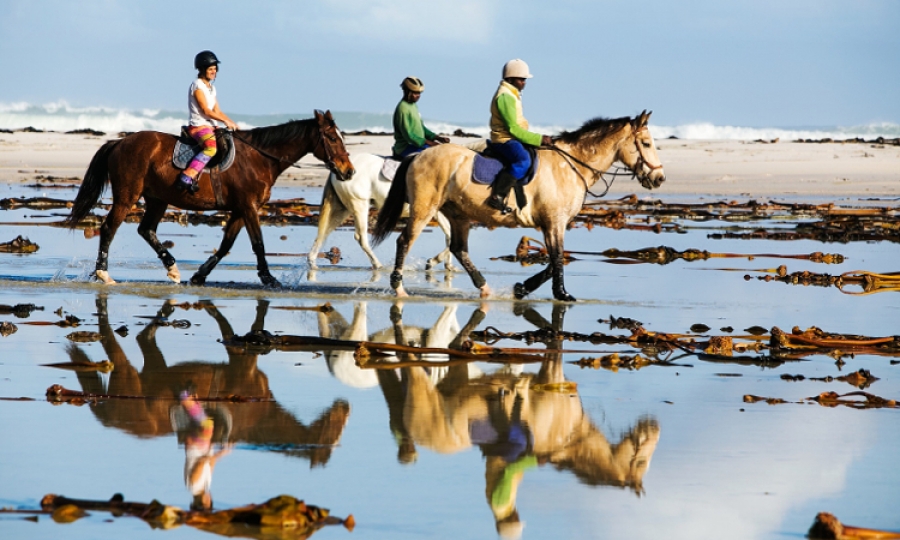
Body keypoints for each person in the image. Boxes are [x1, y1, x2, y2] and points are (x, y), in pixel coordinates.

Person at [486, 59, 553, 214]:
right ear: (510, 79)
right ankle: (498, 195)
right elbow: (513, 129)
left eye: (524, 80)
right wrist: (538, 139)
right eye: (521, 79)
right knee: (523, 160)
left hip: (512, 137)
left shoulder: (512, 93)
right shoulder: (505, 96)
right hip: (504, 139)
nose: (524, 83)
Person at [178, 50, 239, 193]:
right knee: (211, 148)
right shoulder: (197, 85)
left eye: (215, 69)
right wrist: (224, 121)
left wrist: (232, 123)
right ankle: (187, 176)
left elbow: (217, 111)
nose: (214, 72)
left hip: (211, 126)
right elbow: (206, 110)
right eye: (211, 69)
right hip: (198, 126)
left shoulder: (212, 88)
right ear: (202, 69)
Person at [392, 76, 449, 159]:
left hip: (418, 144)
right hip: (405, 148)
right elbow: (408, 135)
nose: (418, 96)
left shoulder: (413, 106)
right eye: (415, 93)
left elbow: (421, 127)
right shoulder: (403, 108)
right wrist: (429, 143)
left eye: (419, 93)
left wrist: (437, 137)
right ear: (407, 92)